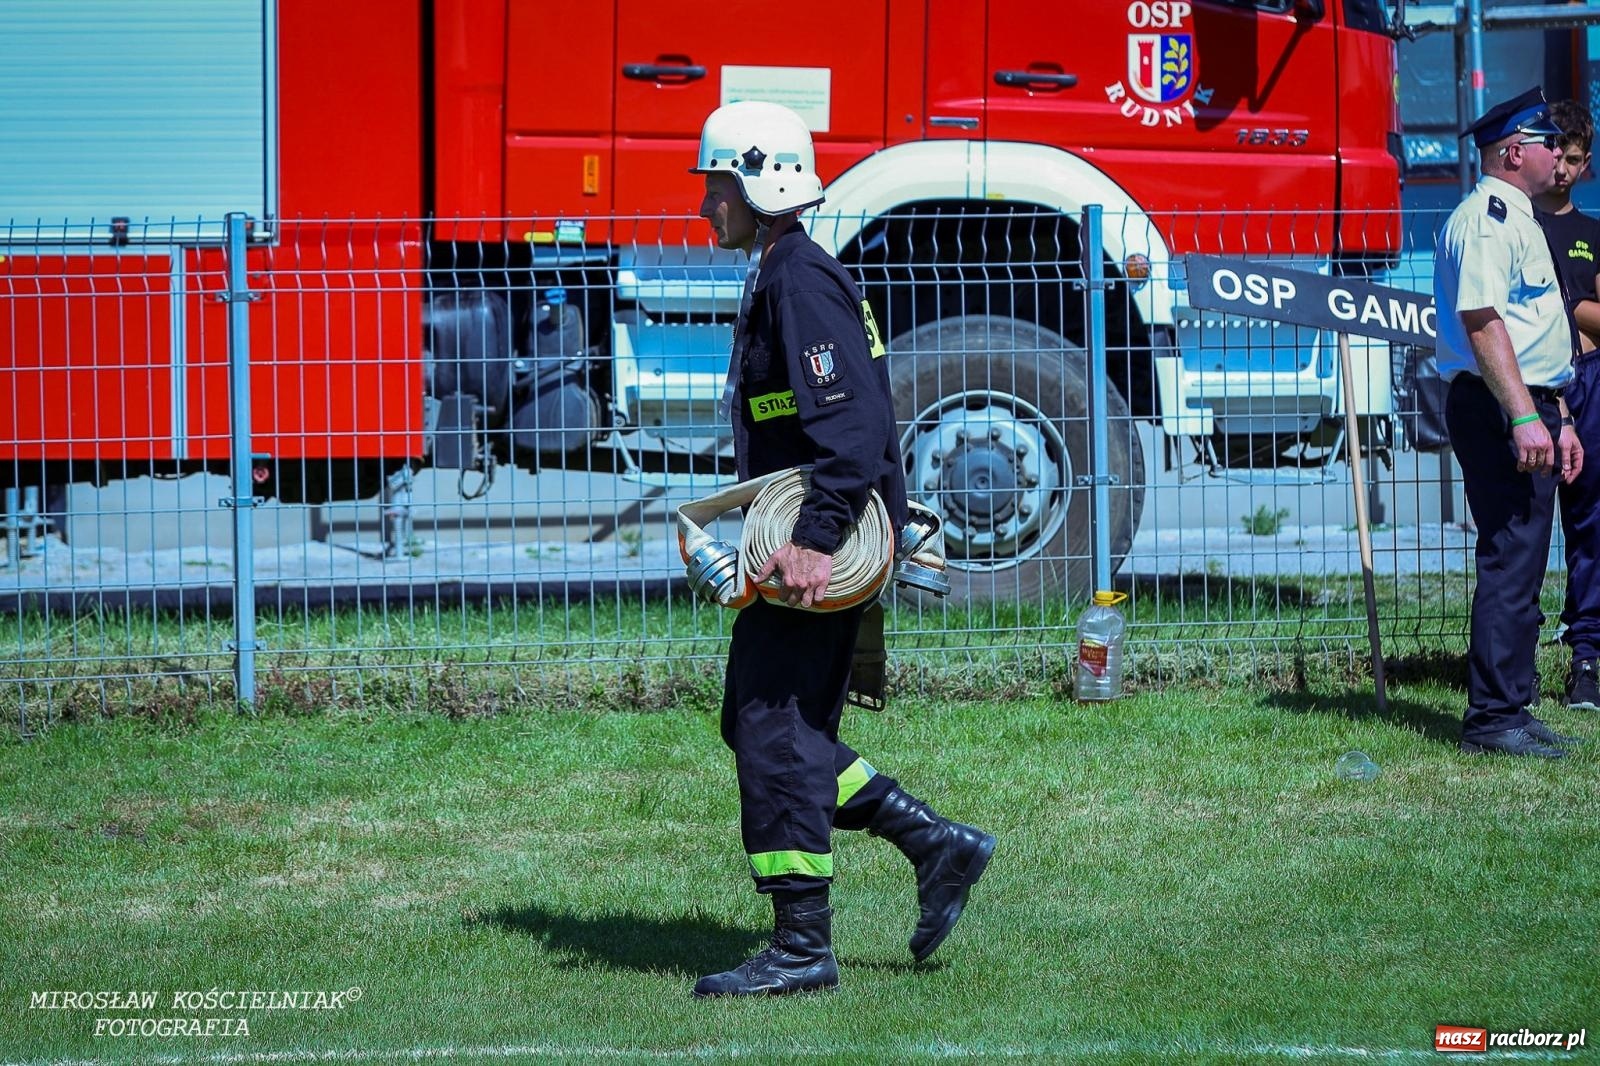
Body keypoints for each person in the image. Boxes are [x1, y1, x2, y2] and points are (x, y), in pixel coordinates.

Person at [688, 101, 996, 997]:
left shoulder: (799, 280)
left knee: (774, 729)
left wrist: (816, 542)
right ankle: (935, 844)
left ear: (754, 183)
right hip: (800, 535)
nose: (706, 205)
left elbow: (854, 429)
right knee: (763, 718)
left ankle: (801, 947)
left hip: (816, 545)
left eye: (716, 185)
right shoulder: (783, 270)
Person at [1435, 87, 1585, 758]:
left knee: (1523, 558)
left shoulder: (1518, 216)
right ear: (1514, 150)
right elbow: (1484, 319)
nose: (1562, 154)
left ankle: (1511, 707)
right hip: (1501, 405)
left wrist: (1558, 415)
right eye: (1550, 142)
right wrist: (1524, 414)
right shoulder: (1490, 216)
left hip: (1530, 404)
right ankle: (1494, 718)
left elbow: (1535, 335)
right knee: (1510, 554)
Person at [1534, 99, 1600, 714]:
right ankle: (1513, 662)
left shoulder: (1589, 232)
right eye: (1557, 155)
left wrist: (1572, 309)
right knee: (1522, 526)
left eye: (1576, 159)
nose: (1563, 169)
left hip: (1587, 380)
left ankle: (1586, 657)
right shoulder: (1516, 223)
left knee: (1588, 523)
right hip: (1531, 386)